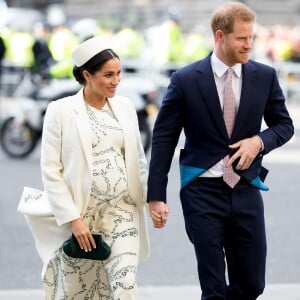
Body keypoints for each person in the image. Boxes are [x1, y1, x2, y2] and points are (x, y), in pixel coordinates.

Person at [147, 2, 294, 300]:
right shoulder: (185, 80)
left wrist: (259, 142)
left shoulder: (264, 76)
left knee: (252, 285)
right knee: (213, 287)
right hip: (201, 191)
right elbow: (164, 138)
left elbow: (284, 125)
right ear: (220, 36)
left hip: (245, 188)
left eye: (251, 37)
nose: (249, 44)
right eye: (241, 38)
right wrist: (156, 196)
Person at [39, 36, 149, 299]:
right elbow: (51, 170)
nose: (116, 81)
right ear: (87, 75)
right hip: (81, 214)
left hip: (123, 211)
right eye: (108, 75)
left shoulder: (125, 107)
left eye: (119, 73)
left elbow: (139, 161)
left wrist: (153, 200)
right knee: (81, 291)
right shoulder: (60, 110)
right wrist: (73, 220)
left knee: (125, 286)